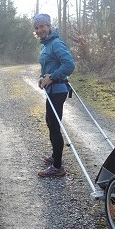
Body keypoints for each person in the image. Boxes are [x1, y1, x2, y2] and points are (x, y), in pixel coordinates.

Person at [33, 13, 75, 177]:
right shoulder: (46, 45)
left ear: (49, 26)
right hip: (52, 90)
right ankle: (55, 157)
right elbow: (49, 67)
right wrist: (43, 78)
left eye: (42, 26)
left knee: (55, 126)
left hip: (58, 91)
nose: (39, 30)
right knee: (50, 122)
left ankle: (58, 166)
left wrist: (52, 77)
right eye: (36, 28)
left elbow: (69, 65)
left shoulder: (56, 43)